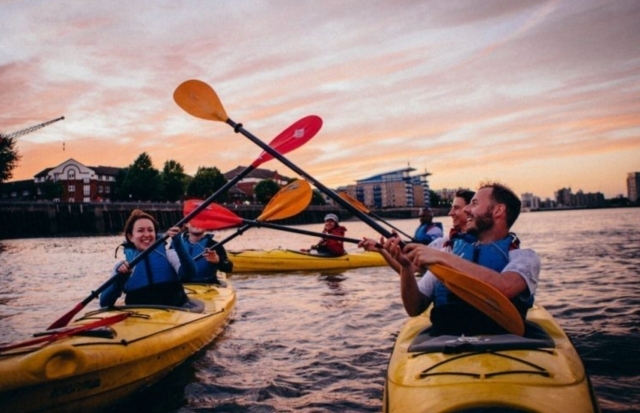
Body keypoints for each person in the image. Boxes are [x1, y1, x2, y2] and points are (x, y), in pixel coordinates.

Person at [369, 182, 540, 335]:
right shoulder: (449, 252)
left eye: (474, 203)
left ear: (498, 211)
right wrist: (406, 268)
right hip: (447, 342)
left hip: (504, 342)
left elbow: (505, 286)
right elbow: (415, 307)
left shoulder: (525, 258)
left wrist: (440, 256)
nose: (466, 210)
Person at [100, 210, 196, 307]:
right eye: (140, 230)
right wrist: (120, 280)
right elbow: (104, 303)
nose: (147, 235)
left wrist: (178, 244)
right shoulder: (122, 267)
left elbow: (190, 275)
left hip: (175, 312)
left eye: (150, 230)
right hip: (141, 317)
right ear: (130, 237)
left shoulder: (169, 255)